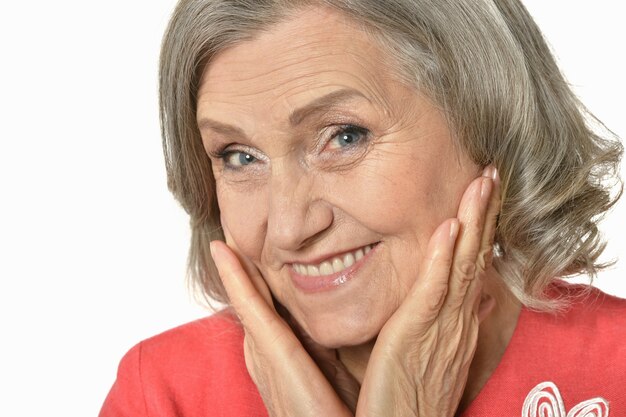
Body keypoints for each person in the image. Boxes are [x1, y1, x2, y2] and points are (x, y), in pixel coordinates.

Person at [100, 0, 625, 416]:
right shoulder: (164, 396)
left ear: (489, 126)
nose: (287, 228)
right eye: (240, 156)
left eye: (344, 136)